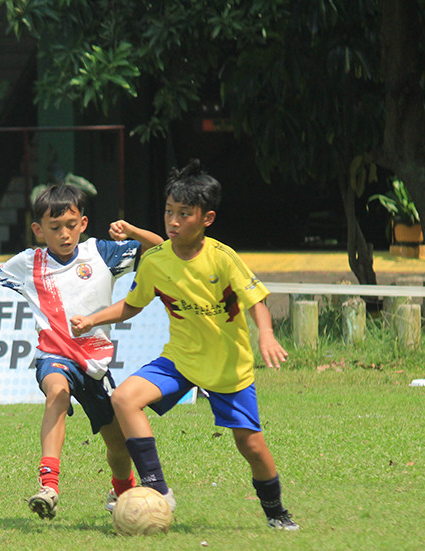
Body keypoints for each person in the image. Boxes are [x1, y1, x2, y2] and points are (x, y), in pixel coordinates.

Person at [0, 184, 163, 519]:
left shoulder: (101, 254)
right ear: (38, 230)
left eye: (71, 225)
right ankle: (49, 485)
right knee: (57, 392)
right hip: (54, 356)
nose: (64, 234)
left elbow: (162, 251)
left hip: (96, 365)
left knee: (117, 444)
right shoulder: (29, 262)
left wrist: (132, 232)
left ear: (83, 223)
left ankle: (123, 489)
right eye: (54, 228)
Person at [70, 159, 299, 530]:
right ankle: (157, 489)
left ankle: (276, 511)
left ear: (206, 219)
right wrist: (93, 319)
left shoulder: (222, 258)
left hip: (228, 367)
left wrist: (267, 334)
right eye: (168, 212)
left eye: (184, 214)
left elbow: (257, 300)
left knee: (252, 447)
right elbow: (132, 304)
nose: (173, 221)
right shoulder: (157, 261)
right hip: (180, 359)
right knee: (124, 398)